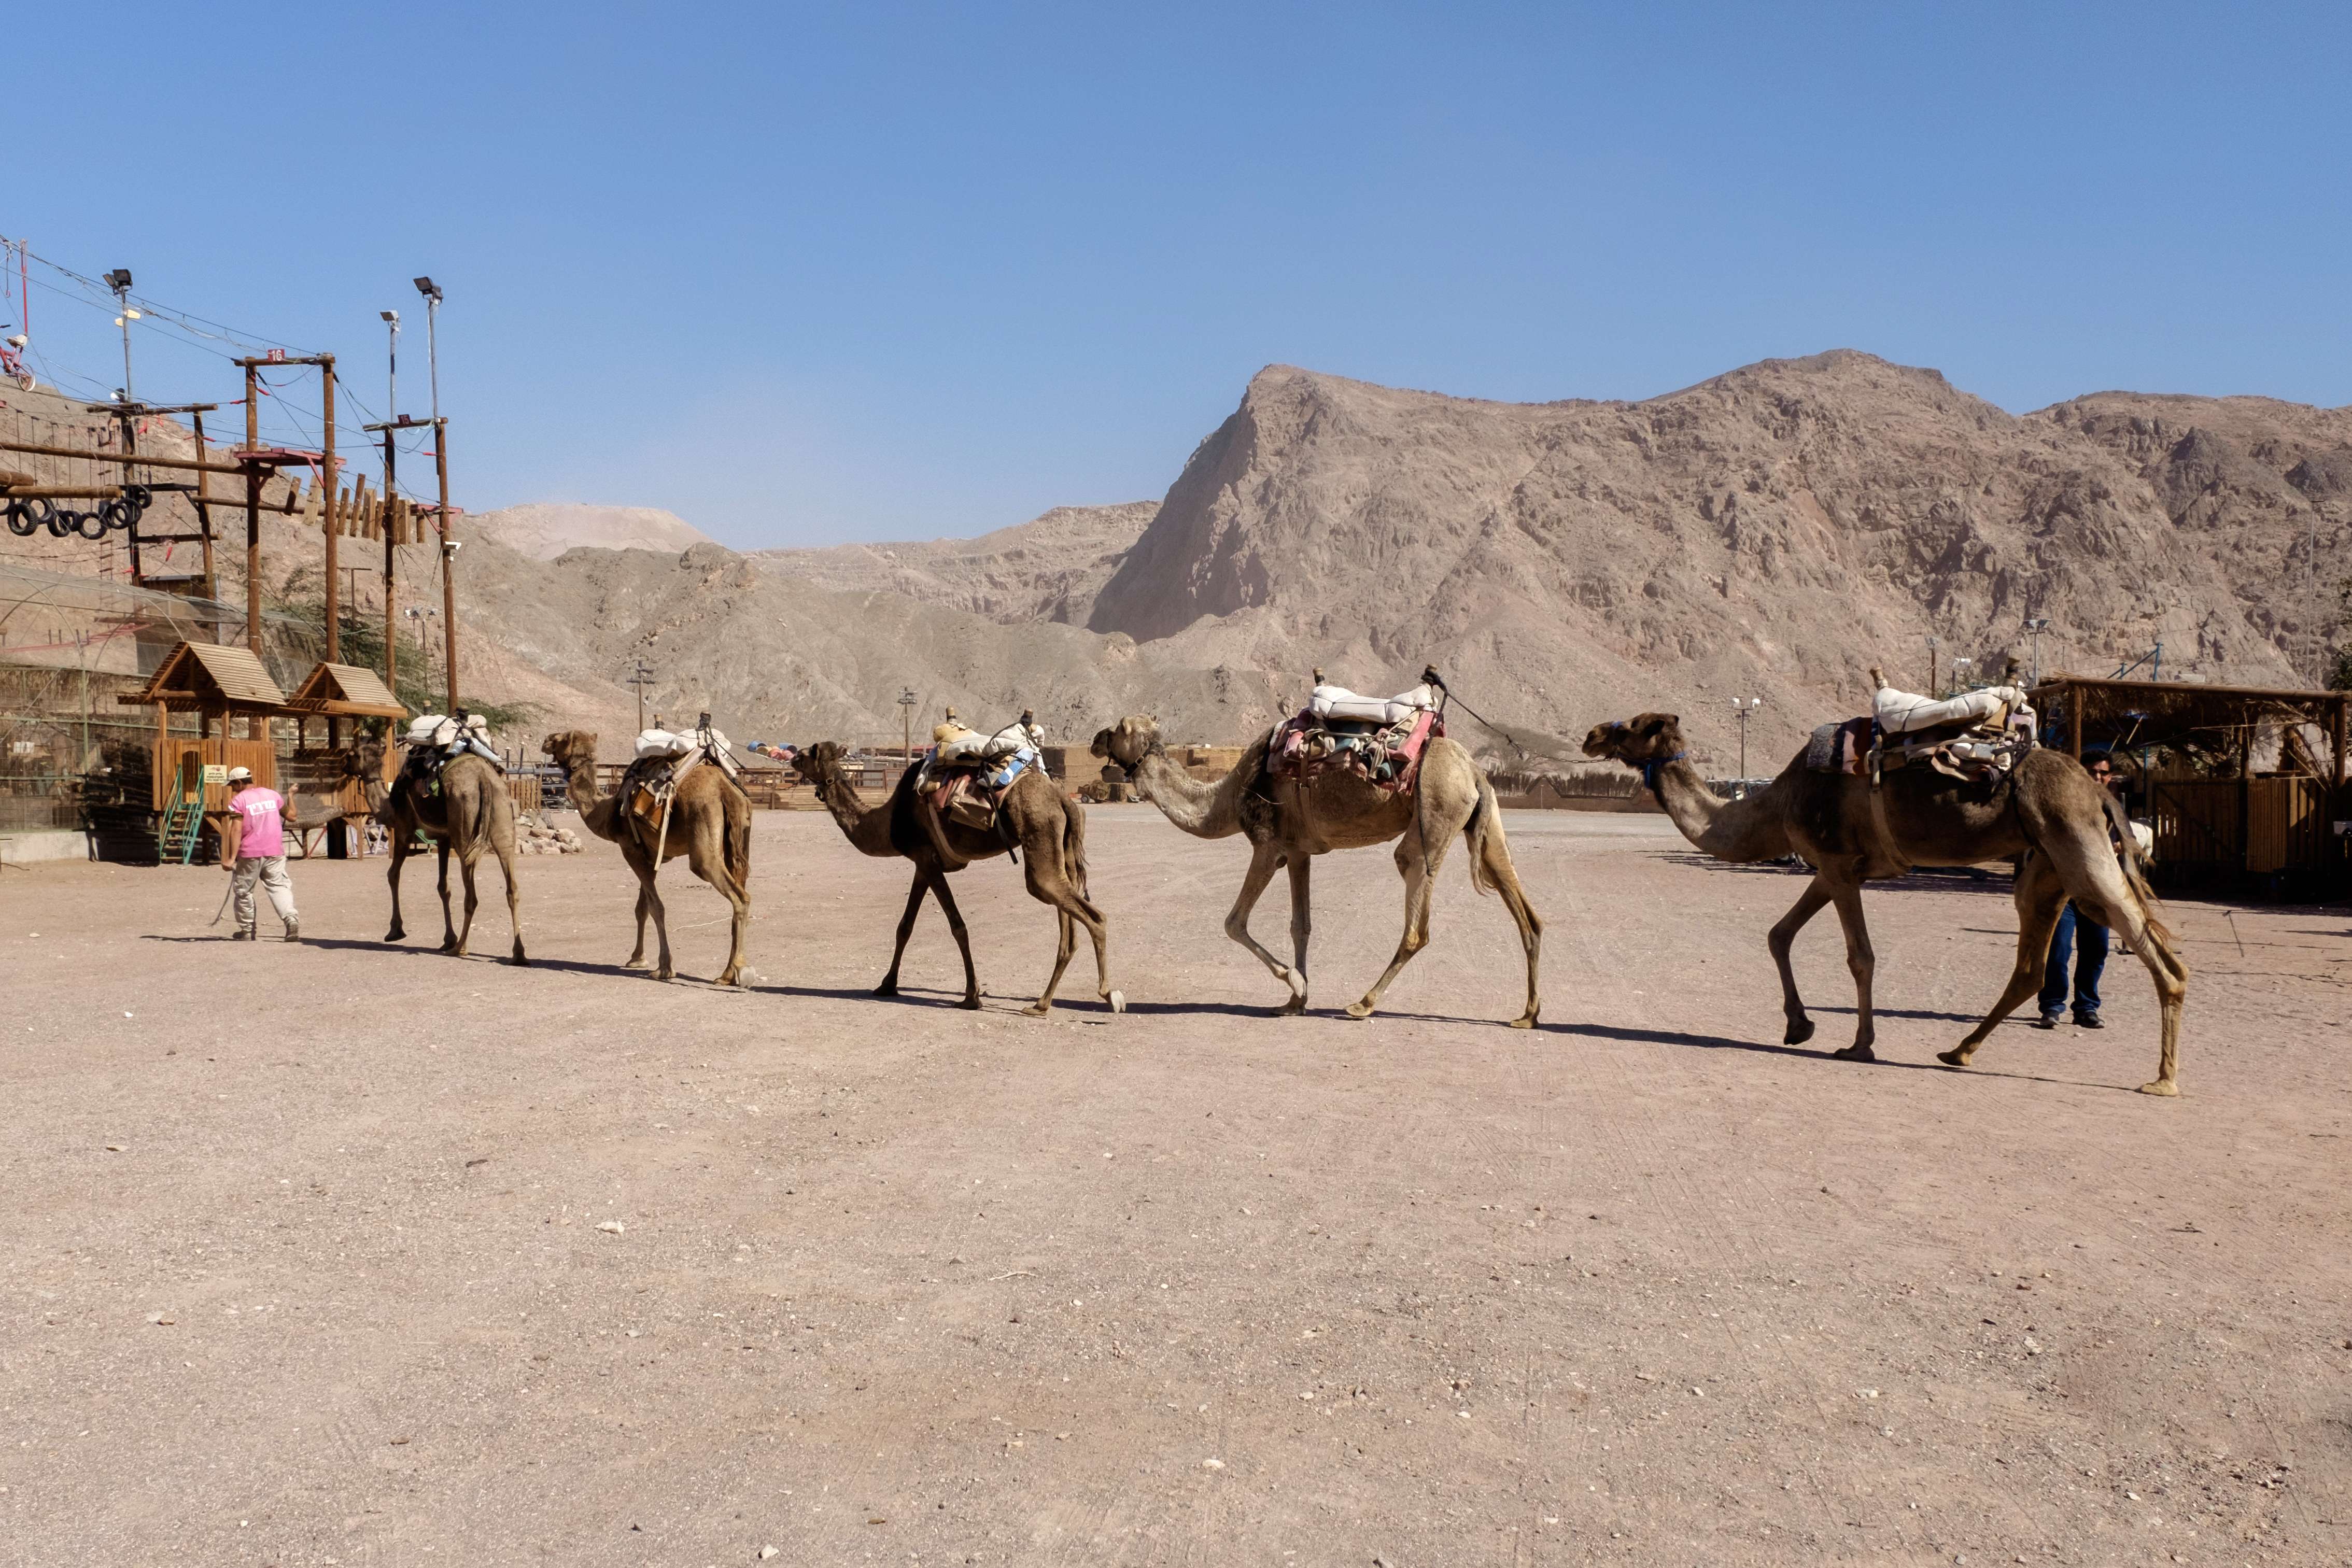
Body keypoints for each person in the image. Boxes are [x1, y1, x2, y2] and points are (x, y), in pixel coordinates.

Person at [2035, 751, 2120, 1029]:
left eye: (2103, 773)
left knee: (2096, 950)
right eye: (2092, 771)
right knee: (2058, 950)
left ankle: (2086, 1008)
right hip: (2064, 892)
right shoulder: (2063, 803)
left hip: (2098, 892)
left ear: (2110, 776)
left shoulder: (2113, 809)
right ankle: (2051, 1006)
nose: (2097, 777)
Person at [220, 765, 300, 943]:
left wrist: (231, 858)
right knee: (279, 887)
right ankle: (291, 920)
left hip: (250, 853)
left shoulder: (238, 801)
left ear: (240, 783)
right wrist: (291, 796)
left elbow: (236, 831)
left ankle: (247, 931)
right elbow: (293, 816)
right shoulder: (272, 795)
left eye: (233, 785)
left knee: (244, 891)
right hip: (275, 851)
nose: (232, 789)